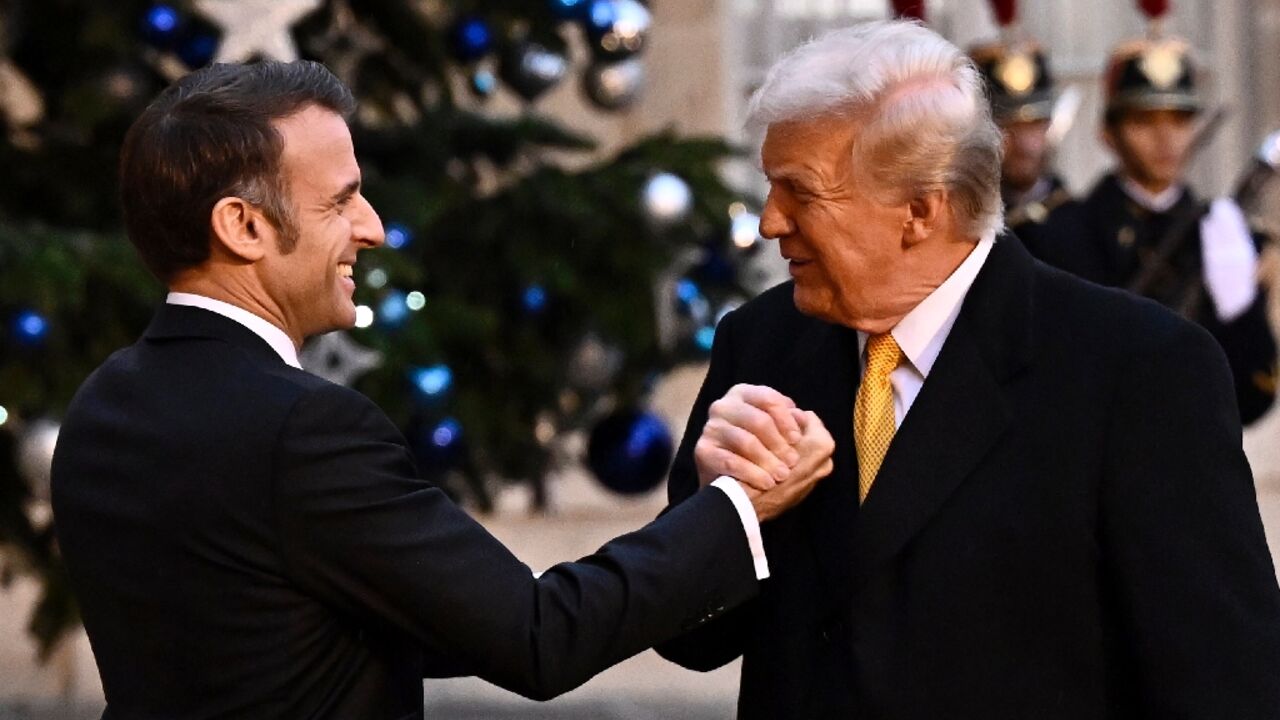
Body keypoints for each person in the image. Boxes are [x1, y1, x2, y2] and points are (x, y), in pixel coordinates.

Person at [49, 61, 835, 719]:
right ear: (242, 226)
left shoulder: (104, 406)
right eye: (339, 200)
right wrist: (736, 506)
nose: (373, 226)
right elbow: (538, 638)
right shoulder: (305, 430)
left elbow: (278, 628)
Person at [657, 21, 1280, 718]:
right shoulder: (762, 344)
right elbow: (691, 639)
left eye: (799, 192)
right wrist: (721, 517)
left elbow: (1225, 683)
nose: (771, 222)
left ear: (920, 210)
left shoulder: (1139, 370)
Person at [1067, 36, 1277, 423]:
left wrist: (1240, 311)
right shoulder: (1063, 234)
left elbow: (1253, 398)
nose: (1166, 139)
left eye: (1180, 120)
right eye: (1144, 120)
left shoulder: (1224, 236)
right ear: (1108, 133)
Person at [969, 38, 1086, 269]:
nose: (1025, 144)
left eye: (1035, 124)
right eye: (1006, 126)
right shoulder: (962, 228)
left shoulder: (1085, 223)